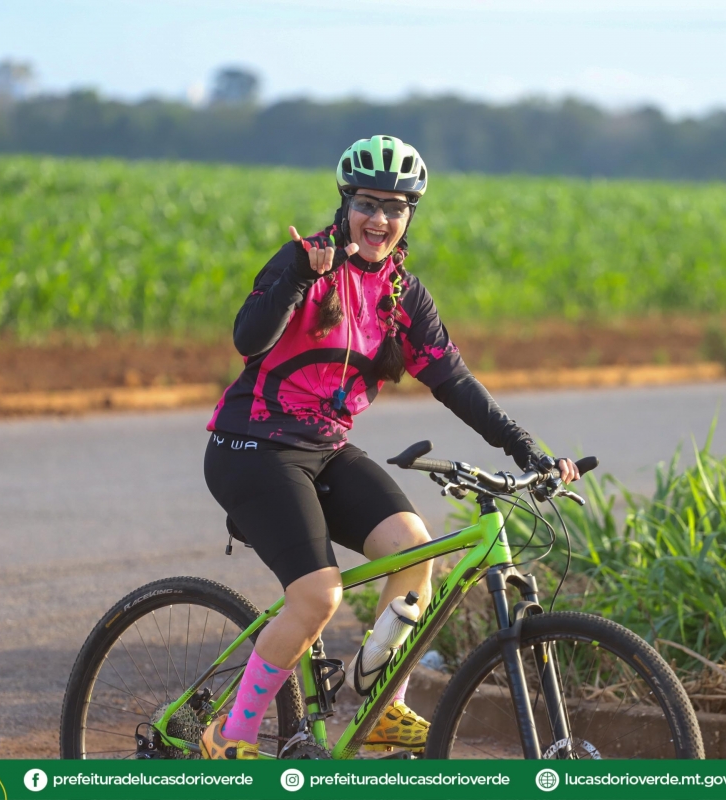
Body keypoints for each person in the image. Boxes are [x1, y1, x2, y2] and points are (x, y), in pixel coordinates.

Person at [199, 135, 581, 759]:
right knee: (318, 596)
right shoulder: (307, 261)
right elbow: (249, 339)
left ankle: (383, 707)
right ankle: (230, 736)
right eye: (368, 204)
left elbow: (453, 380)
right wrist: (298, 274)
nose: (380, 219)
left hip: (324, 448)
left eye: (395, 207)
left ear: (409, 216)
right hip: (253, 446)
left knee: (414, 551)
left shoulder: (402, 292)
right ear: (345, 204)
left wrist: (526, 449)